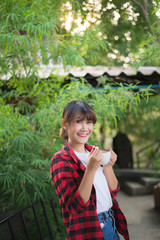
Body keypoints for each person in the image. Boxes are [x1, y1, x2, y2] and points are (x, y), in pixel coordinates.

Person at [50, 100, 130, 240]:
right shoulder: (61, 160)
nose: (85, 128)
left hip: (110, 220)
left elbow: (114, 190)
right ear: (65, 124)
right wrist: (91, 170)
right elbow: (75, 207)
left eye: (89, 122)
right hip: (90, 228)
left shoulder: (94, 152)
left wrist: (107, 166)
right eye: (79, 121)